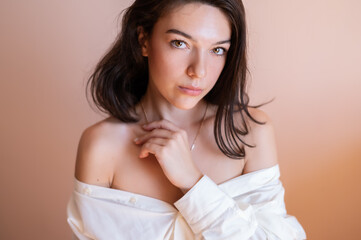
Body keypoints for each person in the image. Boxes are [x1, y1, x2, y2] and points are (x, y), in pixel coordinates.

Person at [67, 0, 306, 239]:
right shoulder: (101, 145)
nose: (199, 71)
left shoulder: (249, 132)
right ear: (143, 40)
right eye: (180, 43)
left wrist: (193, 183)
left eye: (217, 50)